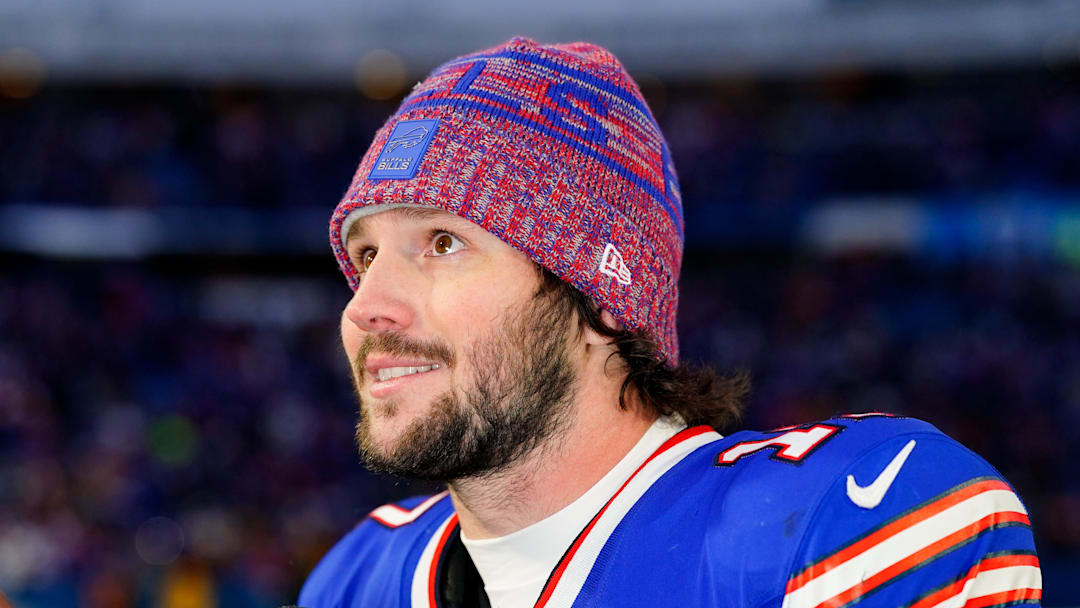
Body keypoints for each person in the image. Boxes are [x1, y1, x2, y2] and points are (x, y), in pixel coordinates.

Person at [296, 37, 1041, 608]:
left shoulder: (837, 522)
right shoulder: (357, 578)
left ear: (601, 298)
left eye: (442, 243)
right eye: (364, 255)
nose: (365, 306)